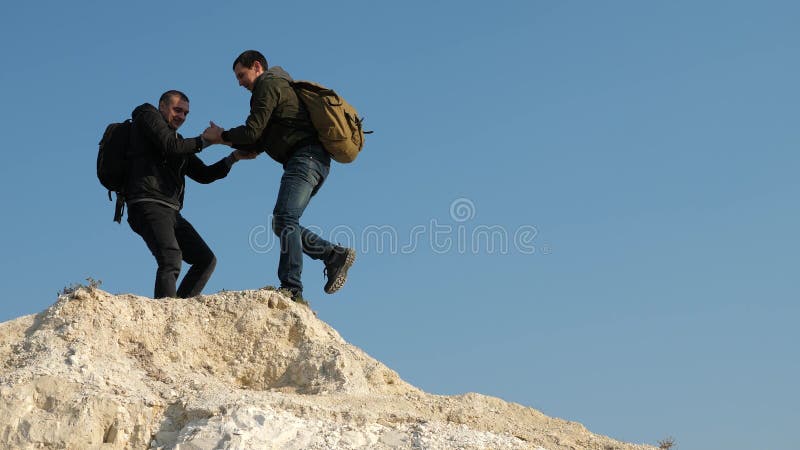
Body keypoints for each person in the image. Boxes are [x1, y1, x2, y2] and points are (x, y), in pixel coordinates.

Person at [202, 50, 355, 303]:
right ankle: (333, 255)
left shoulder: (268, 84)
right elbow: (260, 139)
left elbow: (253, 131)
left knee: (285, 219)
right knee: (283, 223)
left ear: (257, 67)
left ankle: (292, 288)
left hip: (305, 159)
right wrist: (232, 147)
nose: (239, 82)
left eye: (241, 75)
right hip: (312, 162)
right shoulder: (277, 86)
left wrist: (222, 136)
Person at [125, 90, 256, 299]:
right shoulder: (147, 117)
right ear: (162, 106)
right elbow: (170, 146)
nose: (182, 117)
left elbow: (204, 174)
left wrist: (235, 157)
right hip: (147, 202)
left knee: (205, 260)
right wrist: (205, 140)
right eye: (177, 110)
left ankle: (180, 310)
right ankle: (165, 314)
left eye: (186, 113)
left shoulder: (177, 141)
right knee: (171, 259)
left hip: (171, 211)